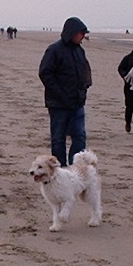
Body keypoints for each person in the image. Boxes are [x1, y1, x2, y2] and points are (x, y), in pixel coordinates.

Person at [38, 16, 92, 167]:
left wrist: (84, 89)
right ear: (72, 32)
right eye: (81, 33)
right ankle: (60, 170)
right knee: (58, 139)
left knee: (79, 137)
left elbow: (85, 72)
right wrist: (60, 93)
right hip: (58, 104)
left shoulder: (80, 51)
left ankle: (76, 168)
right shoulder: (54, 50)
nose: (83, 36)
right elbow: (45, 73)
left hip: (77, 103)